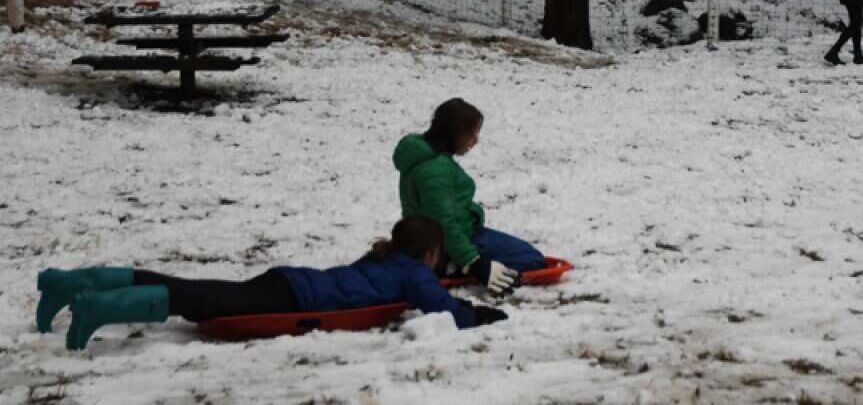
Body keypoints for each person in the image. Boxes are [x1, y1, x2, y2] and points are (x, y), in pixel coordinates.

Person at [36, 217, 508, 351]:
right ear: (429, 255)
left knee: (192, 287)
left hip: (287, 280)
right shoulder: (413, 273)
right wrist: (477, 314)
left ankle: (69, 282)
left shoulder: (381, 258)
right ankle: (96, 308)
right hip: (291, 298)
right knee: (196, 300)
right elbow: (439, 307)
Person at [394, 98, 547, 297]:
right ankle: (448, 266)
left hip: (456, 235)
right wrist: (472, 262)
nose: (475, 140)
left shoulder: (430, 157)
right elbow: (443, 224)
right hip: (446, 246)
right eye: (472, 134)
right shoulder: (434, 170)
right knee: (530, 260)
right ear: (454, 132)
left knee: (526, 256)